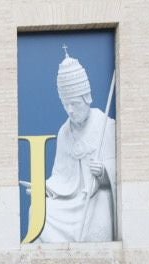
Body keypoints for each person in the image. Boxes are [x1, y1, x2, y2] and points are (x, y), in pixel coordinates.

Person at [33, 48, 116, 244]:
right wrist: (45, 188)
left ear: (86, 99)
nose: (70, 110)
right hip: (71, 201)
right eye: (66, 104)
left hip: (94, 198)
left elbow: (119, 175)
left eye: (75, 104)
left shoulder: (106, 126)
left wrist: (104, 173)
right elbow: (61, 175)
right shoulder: (64, 132)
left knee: (101, 207)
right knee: (40, 209)